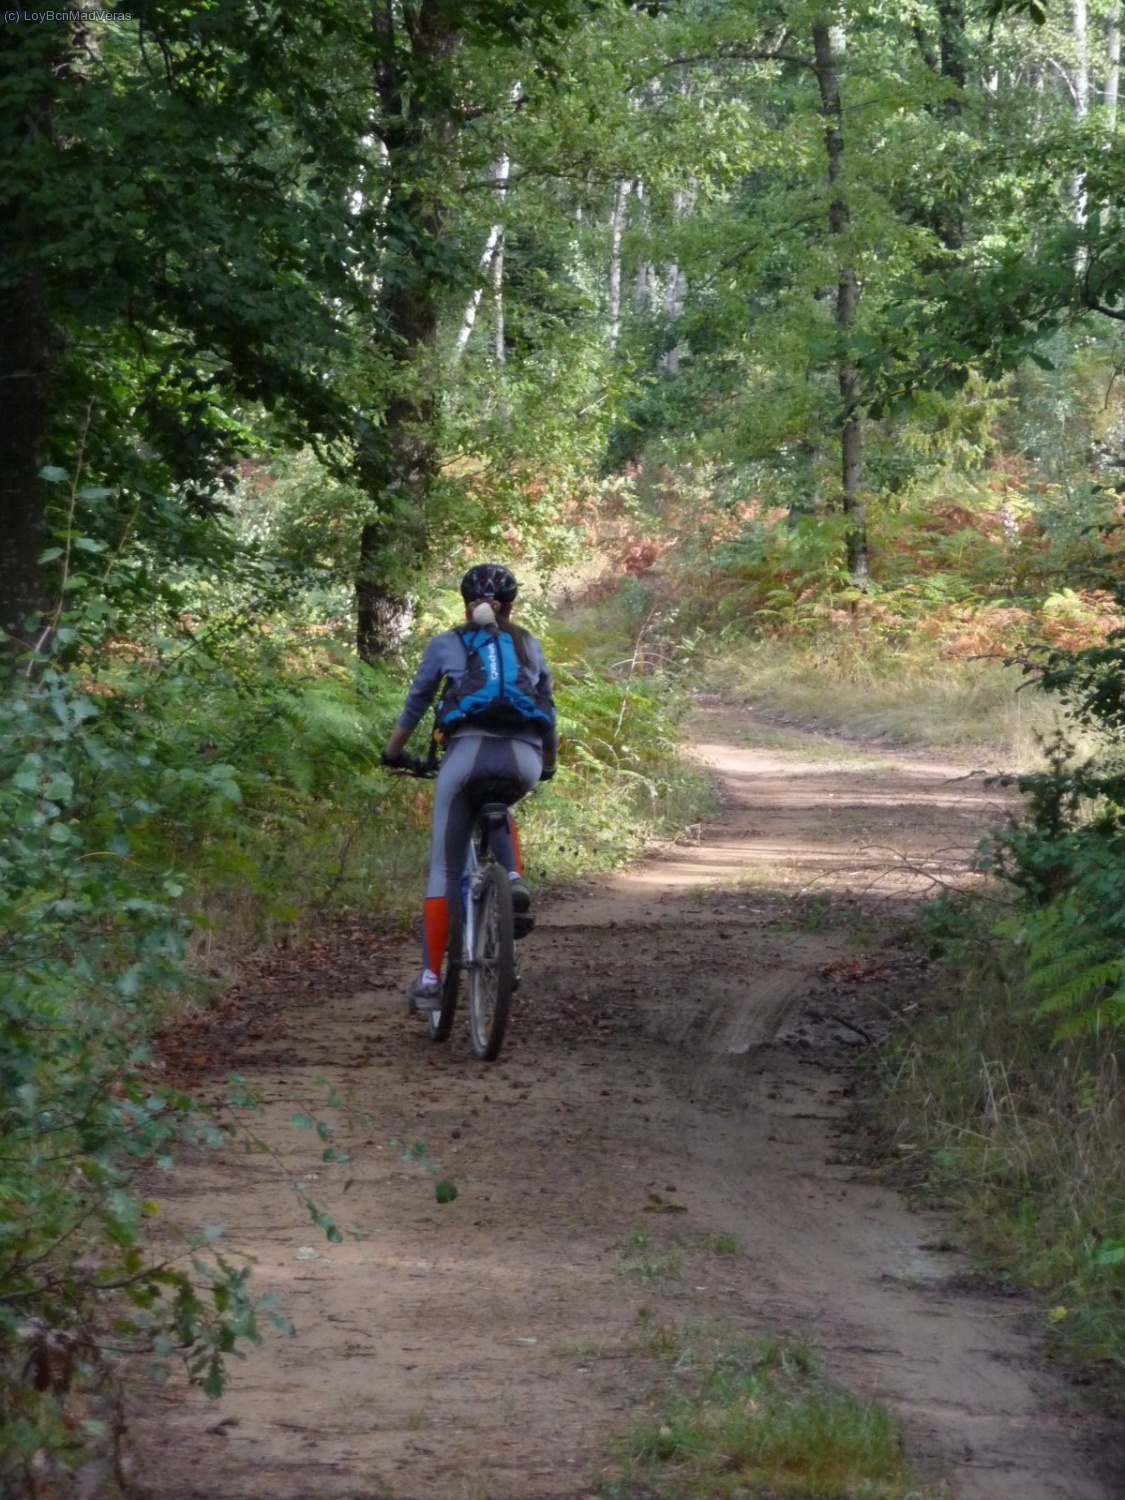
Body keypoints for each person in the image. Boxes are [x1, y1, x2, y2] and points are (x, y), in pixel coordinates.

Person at [381, 564, 558, 1011]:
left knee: (444, 868)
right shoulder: (528, 645)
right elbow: (548, 710)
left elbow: (418, 702)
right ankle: (512, 878)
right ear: (511, 607)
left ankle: (429, 980)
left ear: (466, 604)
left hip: (464, 758)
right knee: (501, 804)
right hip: (524, 761)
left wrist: (392, 753)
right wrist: (549, 764)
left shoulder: (447, 643)